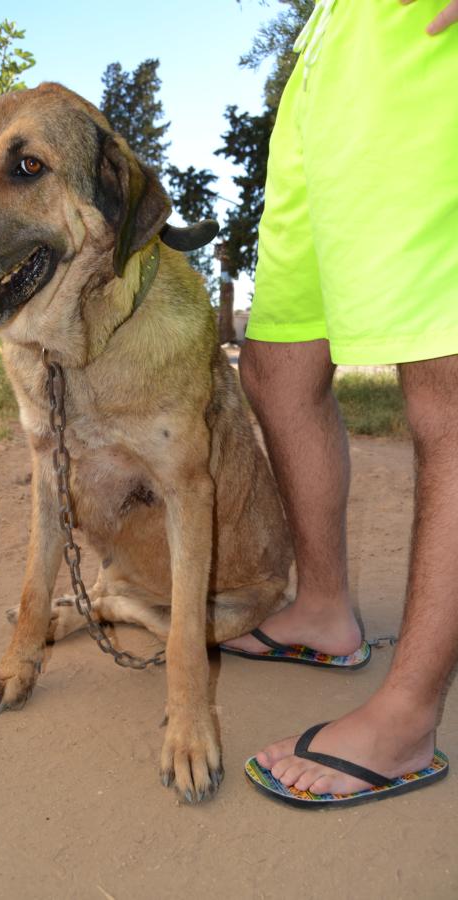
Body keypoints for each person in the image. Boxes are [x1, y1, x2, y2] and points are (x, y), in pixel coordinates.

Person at [221, 0, 458, 806]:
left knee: (445, 388)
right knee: (276, 365)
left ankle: (408, 717)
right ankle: (324, 611)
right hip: (330, 60)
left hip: (424, 49)